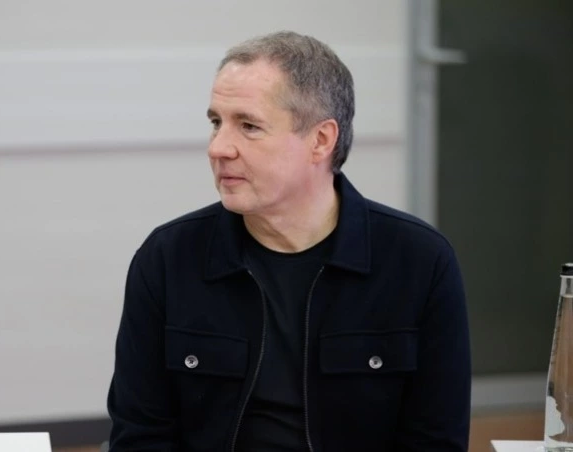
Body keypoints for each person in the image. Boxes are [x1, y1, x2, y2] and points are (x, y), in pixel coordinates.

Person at [106, 31, 471, 452]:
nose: (218, 148)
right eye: (216, 123)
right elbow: (140, 437)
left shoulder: (419, 262)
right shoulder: (168, 258)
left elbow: (435, 443)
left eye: (248, 126)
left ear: (321, 140)